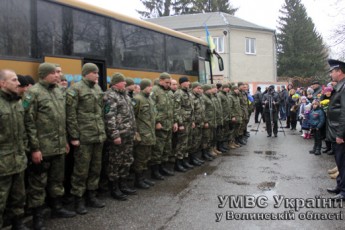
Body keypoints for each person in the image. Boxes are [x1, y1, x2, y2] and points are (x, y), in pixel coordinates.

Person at [23, 63, 76, 230]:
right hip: (42, 148)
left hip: (59, 146)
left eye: (57, 73)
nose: (57, 75)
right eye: (53, 73)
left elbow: (62, 119)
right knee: (38, 183)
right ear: (44, 74)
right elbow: (28, 123)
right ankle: (37, 216)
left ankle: (56, 208)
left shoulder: (58, 92)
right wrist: (35, 148)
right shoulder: (33, 94)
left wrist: (65, 141)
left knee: (57, 180)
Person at [66, 63, 106, 214]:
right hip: (84, 137)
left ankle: (92, 196)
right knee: (81, 170)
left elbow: (101, 112)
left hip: (97, 136)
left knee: (95, 168)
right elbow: (71, 116)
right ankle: (78, 200)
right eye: (94, 73)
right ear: (86, 73)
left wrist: (103, 133)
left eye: (97, 73)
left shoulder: (97, 88)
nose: (97, 75)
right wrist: (74, 136)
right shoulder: (75, 89)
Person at [0, 70, 28, 230]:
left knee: (18, 197)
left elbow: (23, 131)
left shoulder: (17, 103)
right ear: (2, 83)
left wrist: (24, 151)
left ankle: (18, 223)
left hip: (18, 160)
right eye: (14, 80)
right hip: (2, 163)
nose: (18, 83)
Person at [103, 73, 136, 201]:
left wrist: (134, 131)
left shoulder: (125, 95)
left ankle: (123, 184)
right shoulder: (110, 96)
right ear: (117, 83)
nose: (125, 84)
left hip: (128, 134)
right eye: (123, 82)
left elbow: (130, 115)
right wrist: (115, 135)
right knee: (115, 162)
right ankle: (114, 188)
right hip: (119, 136)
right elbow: (109, 117)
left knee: (127, 160)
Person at [326, 59, 345, 201]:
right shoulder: (340, 86)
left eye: (332, 71)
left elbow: (344, 112)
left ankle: (344, 191)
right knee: (339, 161)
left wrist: (340, 134)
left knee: (343, 162)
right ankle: (340, 186)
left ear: (339, 71)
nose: (331, 74)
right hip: (335, 129)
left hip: (340, 131)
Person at [150, 73, 176, 178]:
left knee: (166, 148)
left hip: (168, 125)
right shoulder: (155, 91)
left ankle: (163, 167)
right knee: (158, 149)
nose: (168, 84)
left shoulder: (169, 92)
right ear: (160, 81)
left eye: (170, 83)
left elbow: (172, 109)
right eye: (166, 82)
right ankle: (155, 171)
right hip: (160, 126)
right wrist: (157, 122)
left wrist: (175, 122)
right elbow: (152, 109)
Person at [132, 79, 156, 189]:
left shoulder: (149, 99)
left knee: (147, 157)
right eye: (149, 86)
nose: (151, 88)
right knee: (140, 158)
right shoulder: (137, 99)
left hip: (150, 133)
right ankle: (138, 180)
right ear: (144, 87)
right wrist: (136, 132)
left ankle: (143, 178)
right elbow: (133, 117)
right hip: (142, 134)